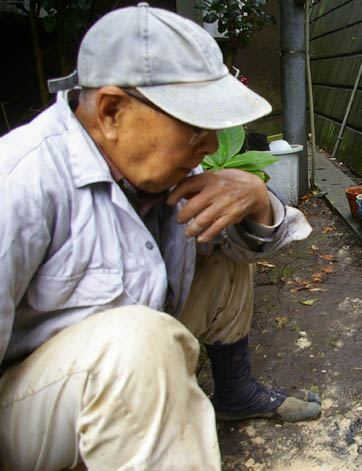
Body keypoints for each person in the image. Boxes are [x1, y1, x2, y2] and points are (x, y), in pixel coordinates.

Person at [0, 3, 319, 470]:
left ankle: (234, 392)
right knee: (139, 344)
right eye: (195, 126)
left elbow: (258, 242)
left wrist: (257, 199)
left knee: (225, 247)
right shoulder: (19, 181)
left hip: (123, 359)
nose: (211, 145)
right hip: (28, 411)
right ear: (112, 111)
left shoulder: (157, 171)